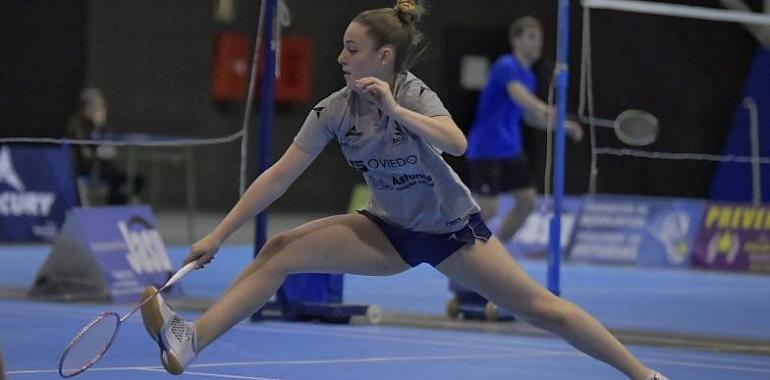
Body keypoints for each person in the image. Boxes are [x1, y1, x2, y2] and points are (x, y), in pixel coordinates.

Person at [140, 2, 667, 379]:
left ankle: (643, 376)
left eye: (353, 49)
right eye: (342, 49)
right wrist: (218, 233)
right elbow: (280, 174)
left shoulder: (413, 93)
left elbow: (456, 143)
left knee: (544, 310)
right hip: (387, 230)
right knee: (278, 251)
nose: (342, 58)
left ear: (385, 56)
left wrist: (396, 111)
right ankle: (191, 342)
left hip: (451, 232)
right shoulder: (334, 110)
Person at [465, 16, 583, 242]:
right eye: (531, 37)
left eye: (539, 38)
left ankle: (497, 252)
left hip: (511, 148)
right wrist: (546, 108)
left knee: (527, 201)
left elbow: (530, 117)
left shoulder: (528, 76)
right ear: (515, 40)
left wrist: (562, 126)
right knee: (488, 209)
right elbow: (518, 95)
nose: (537, 43)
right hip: (487, 147)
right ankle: (457, 249)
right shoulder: (505, 65)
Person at [68, 88, 142, 204]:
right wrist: (96, 130)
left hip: (105, 166)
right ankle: (113, 209)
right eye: (93, 107)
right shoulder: (78, 126)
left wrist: (99, 127)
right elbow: (85, 153)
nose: (98, 111)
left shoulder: (102, 126)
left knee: (136, 180)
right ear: (85, 108)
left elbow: (110, 148)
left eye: (100, 107)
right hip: (88, 167)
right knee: (116, 181)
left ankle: (118, 209)